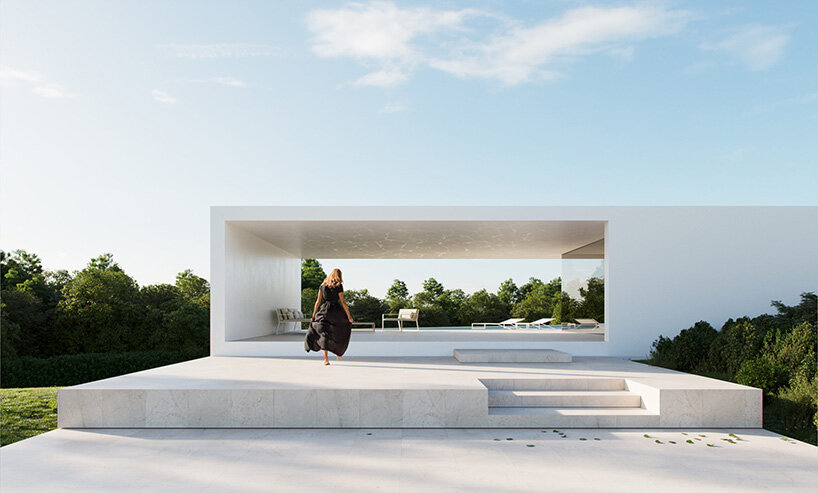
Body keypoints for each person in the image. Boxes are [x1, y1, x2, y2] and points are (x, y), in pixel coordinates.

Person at [304, 268, 354, 365]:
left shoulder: (322, 286)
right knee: (341, 330)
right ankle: (339, 353)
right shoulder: (339, 286)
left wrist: (313, 315)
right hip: (336, 311)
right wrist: (349, 316)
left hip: (324, 311)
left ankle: (326, 359)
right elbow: (343, 302)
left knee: (324, 335)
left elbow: (318, 301)